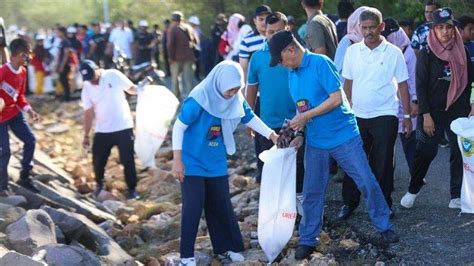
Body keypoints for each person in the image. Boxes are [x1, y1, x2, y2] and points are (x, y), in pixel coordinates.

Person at [267, 31, 399, 261]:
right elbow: (302, 107)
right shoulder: (292, 74)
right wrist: (298, 132)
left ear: (290, 50)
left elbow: (336, 98)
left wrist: (307, 116)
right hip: (316, 141)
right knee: (312, 192)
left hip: (343, 136)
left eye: (280, 60)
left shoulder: (321, 63)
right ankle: (308, 239)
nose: (281, 65)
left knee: (366, 181)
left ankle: (383, 225)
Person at [172, 61, 278, 266]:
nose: (232, 94)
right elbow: (178, 127)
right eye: (230, 90)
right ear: (219, 83)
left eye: (236, 89)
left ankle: (225, 248)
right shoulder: (199, 98)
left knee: (220, 206)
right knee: (193, 208)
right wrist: (177, 160)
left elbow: (250, 117)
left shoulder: (235, 98)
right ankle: (186, 257)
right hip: (192, 161)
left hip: (216, 161)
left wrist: (272, 135)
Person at [338, 7, 412, 220]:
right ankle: (349, 203)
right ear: (359, 27)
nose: (368, 32)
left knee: (383, 162)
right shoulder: (352, 51)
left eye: (372, 27)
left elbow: (403, 86)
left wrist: (406, 117)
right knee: (354, 161)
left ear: (381, 27)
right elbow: (348, 84)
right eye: (364, 28)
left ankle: (384, 205)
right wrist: (345, 112)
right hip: (357, 115)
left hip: (385, 114)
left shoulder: (394, 52)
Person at [400, 7, 474, 210]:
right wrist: (425, 115)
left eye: (448, 27)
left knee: (459, 151)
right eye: (440, 27)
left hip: (458, 109)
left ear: (453, 29)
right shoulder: (426, 53)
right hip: (433, 110)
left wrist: (472, 105)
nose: (445, 32)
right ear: (433, 30)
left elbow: (471, 82)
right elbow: (420, 85)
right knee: (425, 151)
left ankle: (456, 195)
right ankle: (413, 189)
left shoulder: (463, 51)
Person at [246, 12, 305, 209]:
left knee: (296, 166)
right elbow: (252, 88)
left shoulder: (297, 53)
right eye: (270, 32)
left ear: (287, 29)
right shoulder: (257, 57)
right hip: (267, 122)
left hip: (296, 120)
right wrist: (249, 119)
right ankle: (272, 209)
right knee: (269, 166)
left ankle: (296, 209)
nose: (273, 36)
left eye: (278, 31)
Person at [80, 60, 140, 200]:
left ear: (98, 69)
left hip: (123, 126)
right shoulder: (87, 86)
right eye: (88, 79)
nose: (92, 81)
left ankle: (132, 189)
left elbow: (130, 88)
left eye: (92, 77)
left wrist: (142, 89)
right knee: (98, 159)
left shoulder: (113, 75)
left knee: (128, 159)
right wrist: (86, 135)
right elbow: (88, 113)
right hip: (103, 129)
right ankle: (99, 185)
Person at [0, 38, 41, 195]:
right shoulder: (3, 71)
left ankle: (25, 176)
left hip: (15, 114)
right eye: (27, 54)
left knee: (30, 140)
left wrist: (29, 110)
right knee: (5, 151)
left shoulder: (23, 72)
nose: (28, 58)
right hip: (1, 118)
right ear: (19, 54)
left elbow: (20, 97)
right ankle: (2, 186)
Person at [383, 18, 418, 174]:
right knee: (387, 144)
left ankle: (416, 175)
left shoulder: (409, 53)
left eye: (388, 35)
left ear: (396, 34)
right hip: (389, 104)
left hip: (407, 102)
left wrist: (415, 101)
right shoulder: (385, 51)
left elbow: (414, 79)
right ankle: (387, 176)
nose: (386, 38)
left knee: (409, 139)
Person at [167, 11, 196, 100]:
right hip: (189, 57)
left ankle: (176, 99)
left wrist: (171, 58)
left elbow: (170, 45)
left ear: (172, 19)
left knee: (175, 80)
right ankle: (192, 100)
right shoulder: (188, 27)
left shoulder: (172, 28)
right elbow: (195, 41)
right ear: (182, 19)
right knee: (189, 81)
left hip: (176, 58)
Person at [239, 5, 271, 81]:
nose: (264, 22)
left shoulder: (278, 37)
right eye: (261, 19)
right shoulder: (246, 41)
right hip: (256, 86)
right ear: (254, 21)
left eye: (267, 19)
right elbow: (244, 69)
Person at [188, 16, 202, 80]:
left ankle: (197, 75)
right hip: (191, 49)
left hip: (197, 48)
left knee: (197, 62)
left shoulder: (198, 29)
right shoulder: (188, 29)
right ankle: (191, 76)